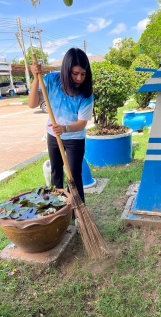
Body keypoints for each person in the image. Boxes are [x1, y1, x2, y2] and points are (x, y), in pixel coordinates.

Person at [28, 48, 94, 205]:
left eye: (83, 74)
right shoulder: (51, 81)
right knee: (56, 172)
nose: (79, 78)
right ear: (66, 70)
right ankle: (58, 209)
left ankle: (77, 212)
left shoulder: (86, 94)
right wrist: (36, 79)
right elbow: (32, 104)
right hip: (53, 135)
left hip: (74, 139)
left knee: (74, 176)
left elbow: (82, 124)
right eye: (75, 73)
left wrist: (65, 129)